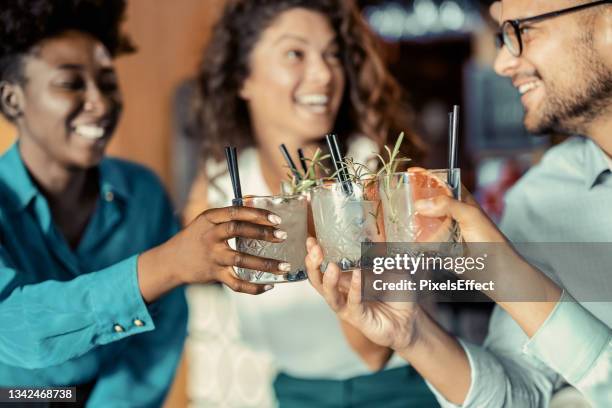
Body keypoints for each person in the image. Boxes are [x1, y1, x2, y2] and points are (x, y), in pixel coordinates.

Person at [305, 0, 612, 406]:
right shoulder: (541, 195)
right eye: (502, 38)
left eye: (523, 31)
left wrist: (506, 274)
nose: (503, 63)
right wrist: (414, 335)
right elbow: (522, 395)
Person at [0, 1, 290, 406]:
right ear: (13, 101)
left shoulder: (143, 192)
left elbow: (159, 338)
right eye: (71, 84)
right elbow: (12, 328)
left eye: (107, 81)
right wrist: (167, 264)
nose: (99, 103)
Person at [182, 0, 434, 406]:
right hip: (292, 392)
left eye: (333, 55)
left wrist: (328, 222)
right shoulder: (221, 182)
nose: (324, 74)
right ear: (241, 78)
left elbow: (374, 351)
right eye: (295, 54)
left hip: (398, 389)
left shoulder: (372, 170)